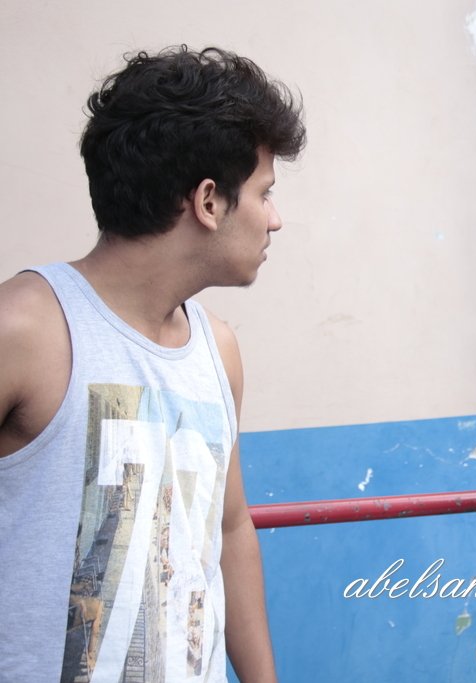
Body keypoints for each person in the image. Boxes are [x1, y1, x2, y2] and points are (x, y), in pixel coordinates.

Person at [0, 45, 305, 683]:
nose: (275, 220)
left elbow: (230, 530)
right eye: (265, 192)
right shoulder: (26, 329)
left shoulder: (219, 349)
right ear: (209, 201)